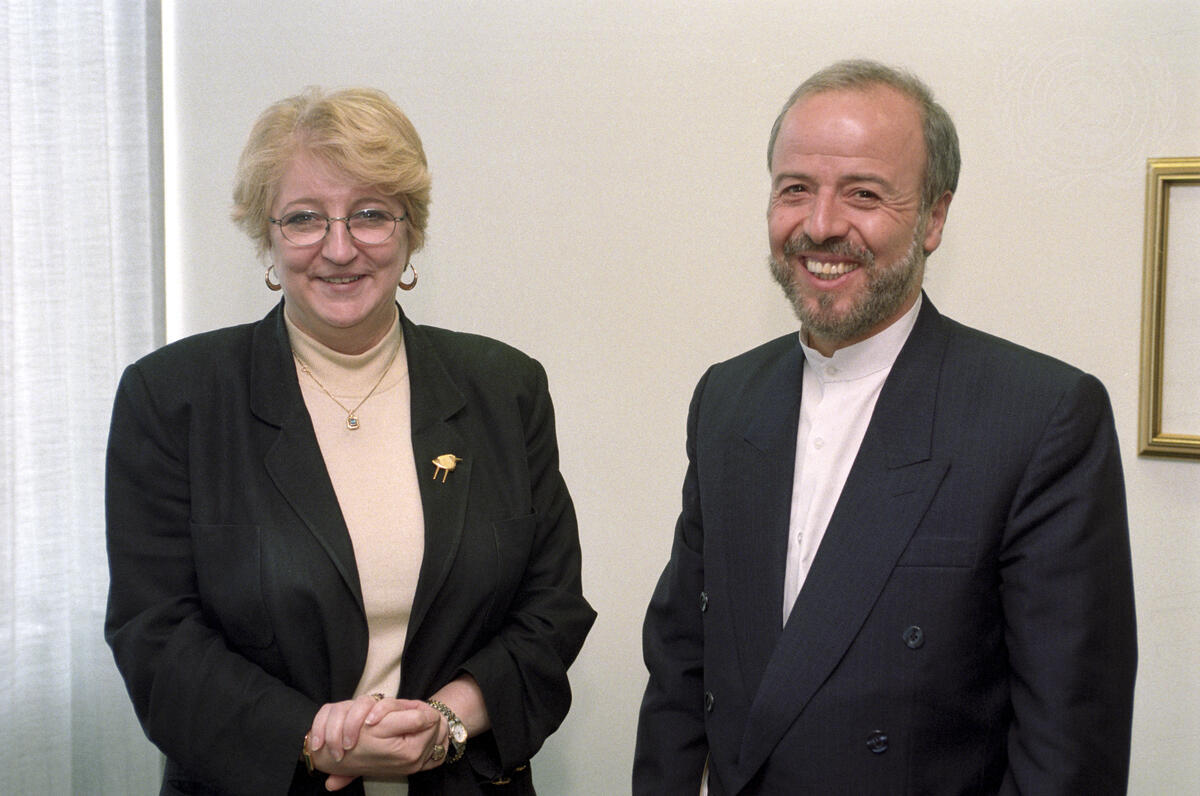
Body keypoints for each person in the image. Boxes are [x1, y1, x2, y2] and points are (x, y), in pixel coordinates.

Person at [634, 60, 1137, 795]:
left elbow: (1069, 750)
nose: (820, 225)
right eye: (795, 189)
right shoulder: (727, 398)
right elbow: (680, 664)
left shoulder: (1041, 418)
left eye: (863, 194)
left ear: (933, 217)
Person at [105, 86, 595, 796]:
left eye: (370, 214)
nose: (339, 249)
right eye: (305, 218)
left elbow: (552, 608)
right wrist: (312, 737)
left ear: (410, 230)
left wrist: (447, 720)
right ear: (268, 236)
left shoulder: (504, 388)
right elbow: (156, 635)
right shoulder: (173, 399)